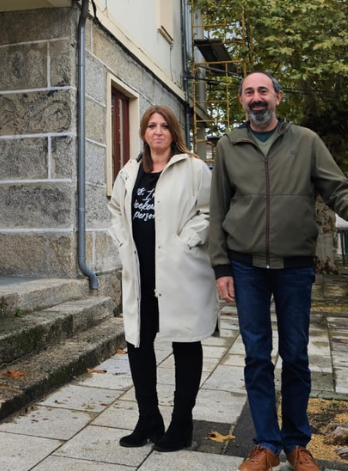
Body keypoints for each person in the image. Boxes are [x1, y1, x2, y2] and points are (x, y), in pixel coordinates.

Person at [208, 72, 348, 471]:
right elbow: (218, 209)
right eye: (248, 92)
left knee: (296, 356)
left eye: (262, 91)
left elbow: (336, 187)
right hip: (246, 266)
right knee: (256, 356)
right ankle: (265, 444)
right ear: (241, 101)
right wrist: (221, 266)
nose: (256, 98)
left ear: (278, 98)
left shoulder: (306, 141)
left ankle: (297, 444)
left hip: (294, 267)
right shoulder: (228, 145)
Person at [107, 105, 218, 452]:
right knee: (139, 345)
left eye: (164, 126)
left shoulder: (194, 168)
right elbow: (115, 211)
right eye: (151, 126)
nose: (157, 131)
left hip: (178, 272)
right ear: (143, 132)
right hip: (140, 275)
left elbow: (210, 212)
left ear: (173, 133)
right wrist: (123, 241)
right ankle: (148, 419)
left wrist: (187, 241)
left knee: (185, 343)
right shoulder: (129, 171)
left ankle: (181, 425)